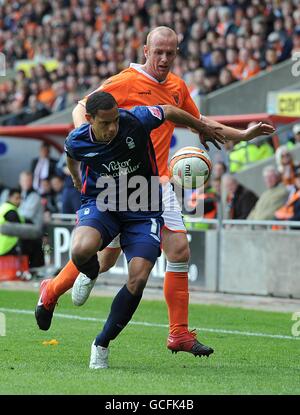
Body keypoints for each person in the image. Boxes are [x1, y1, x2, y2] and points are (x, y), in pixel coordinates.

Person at [35, 26, 275, 357]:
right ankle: (51, 290)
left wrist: (244, 136)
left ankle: (178, 333)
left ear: (177, 53)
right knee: (103, 260)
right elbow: (82, 108)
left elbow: (200, 122)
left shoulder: (177, 88)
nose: (163, 59)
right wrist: (90, 141)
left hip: (156, 183)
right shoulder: (125, 82)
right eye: (157, 52)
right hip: (117, 185)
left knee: (179, 251)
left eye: (170, 53)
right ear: (145, 51)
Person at [37, 91, 218, 368]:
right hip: (102, 201)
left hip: (143, 205)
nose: (113, 128)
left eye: (115, 122)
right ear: (89, 120)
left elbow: (168, 110)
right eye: (105, 123)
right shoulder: (78, 139)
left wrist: (202, 127)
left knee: (138, 278)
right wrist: (75, 178)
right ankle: (84, 275)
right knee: (81, 249)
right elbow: (71, 155)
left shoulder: (134, 120)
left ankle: (102, 343)